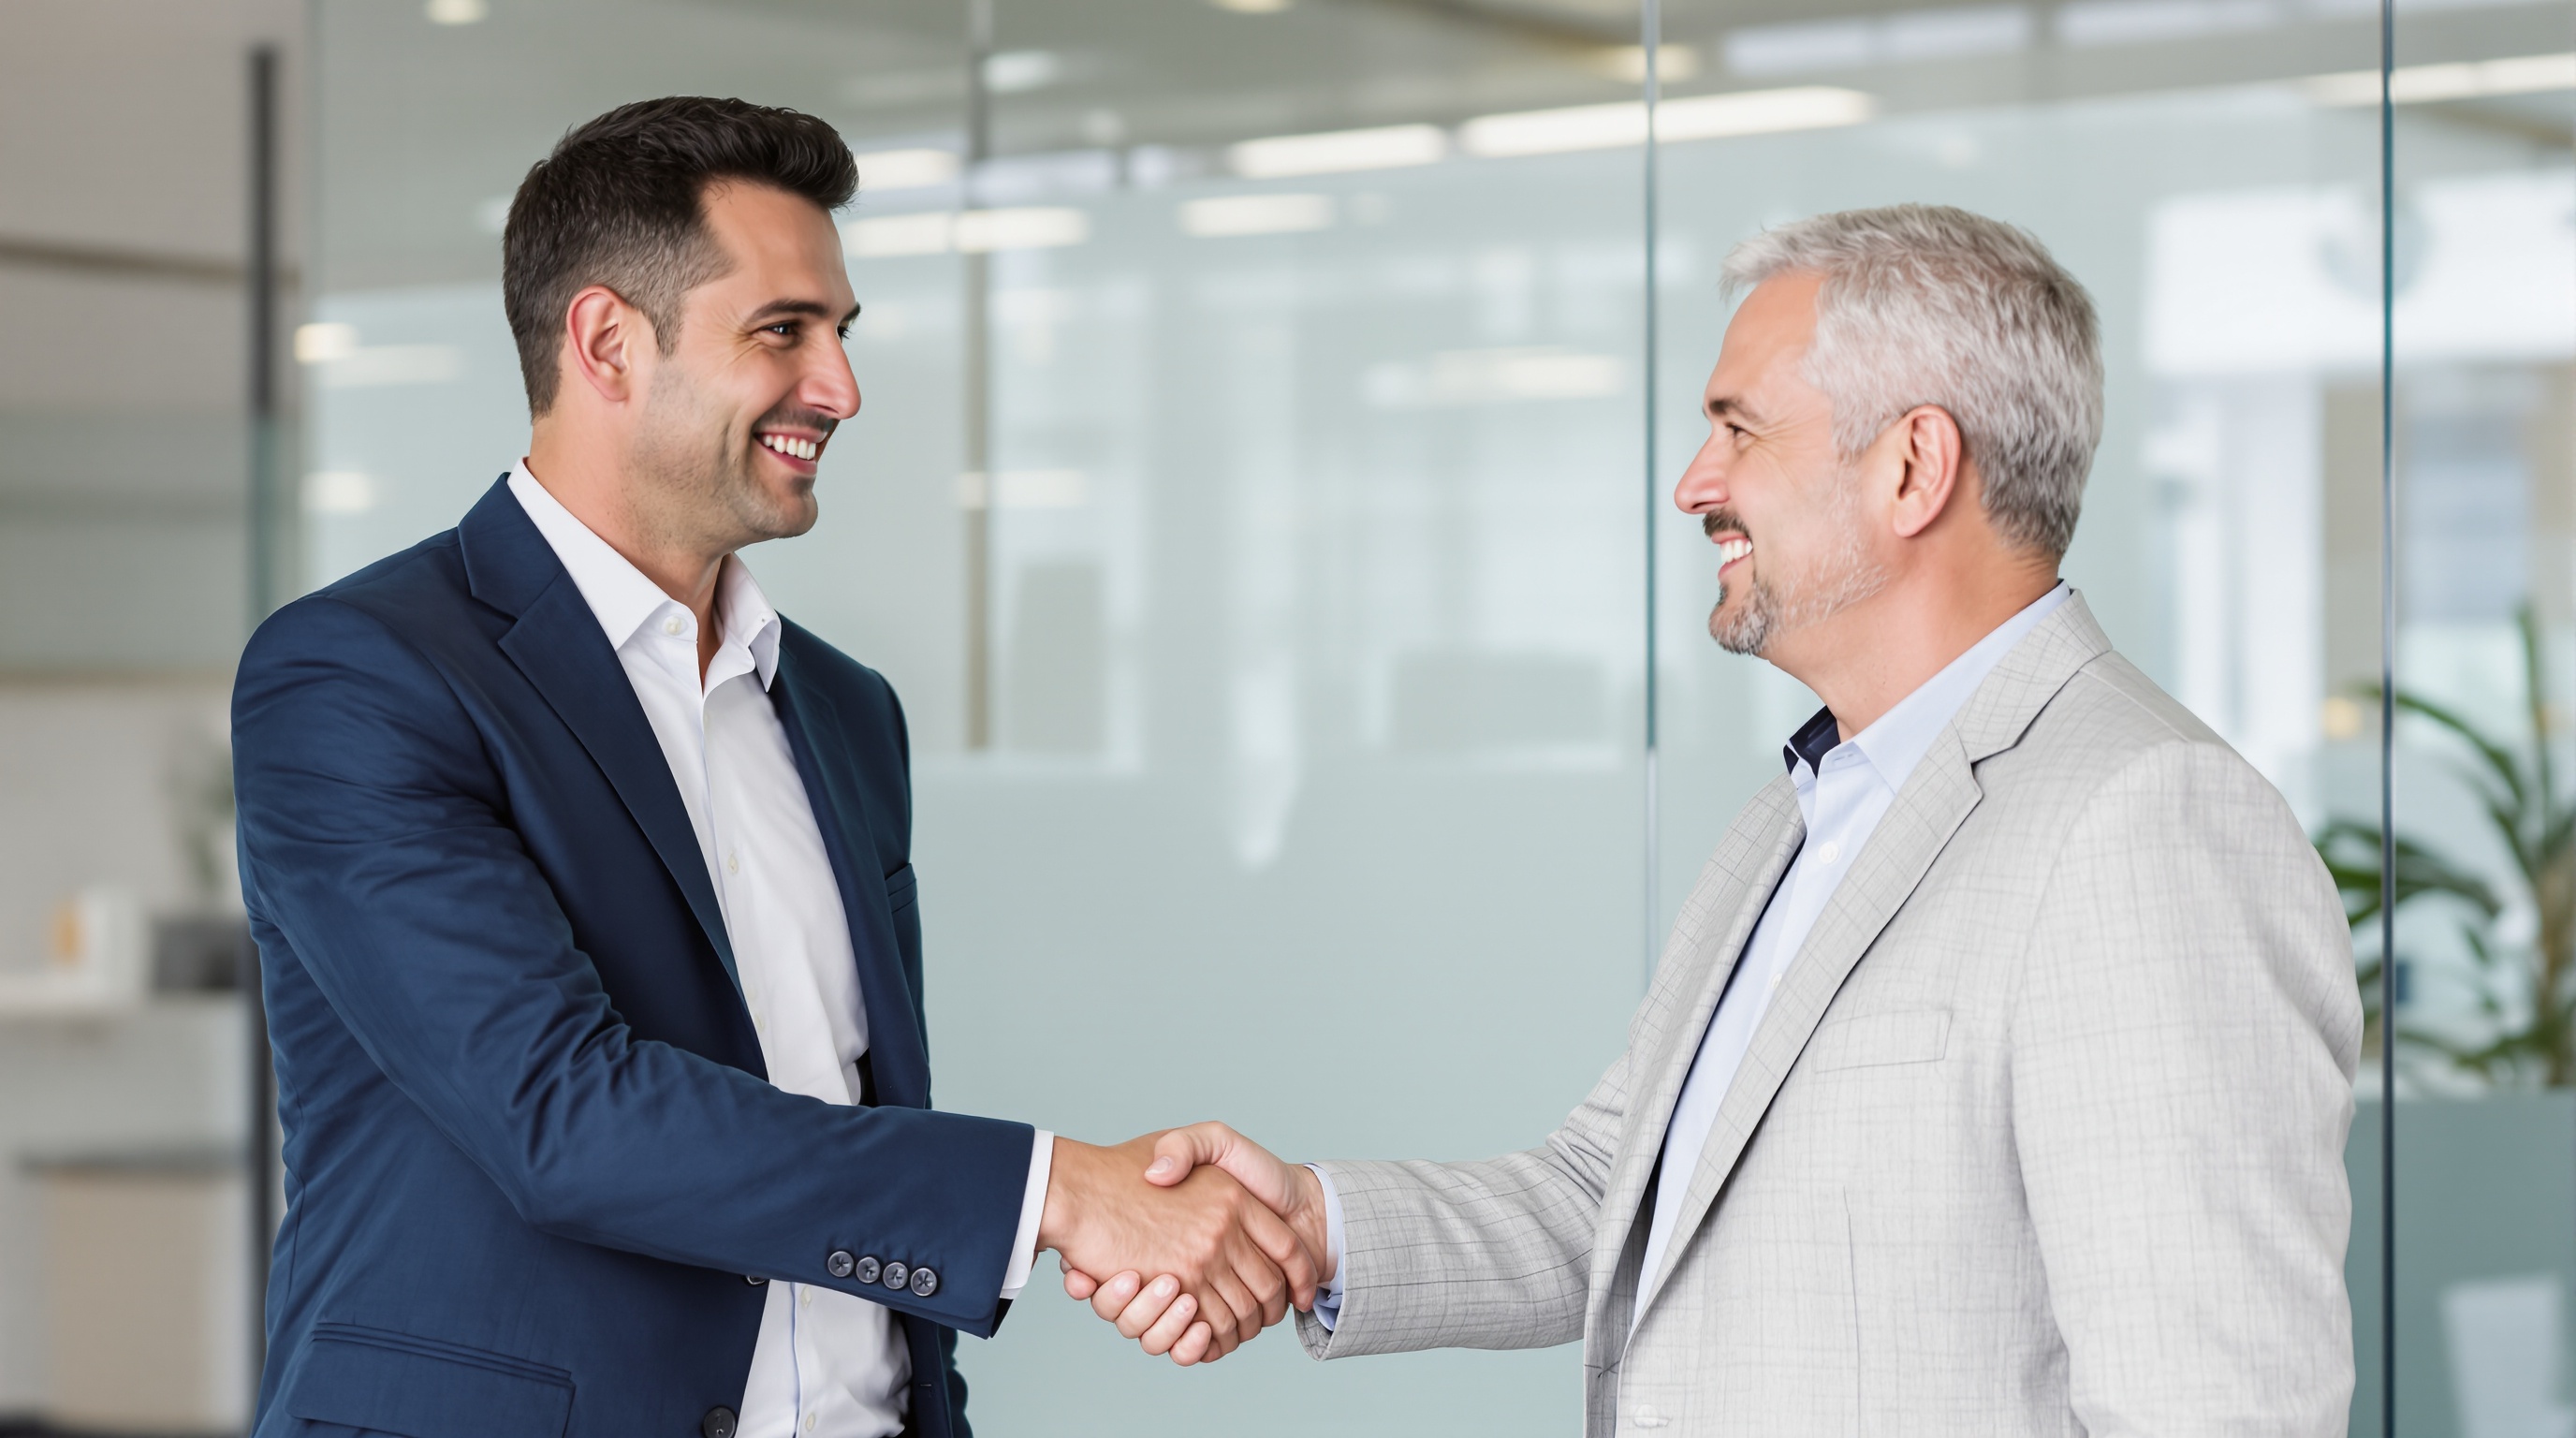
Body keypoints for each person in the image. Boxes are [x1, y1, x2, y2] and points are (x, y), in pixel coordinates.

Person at [1075, 204, 2364, 1433]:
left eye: (1740, 429)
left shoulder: (2145, 823)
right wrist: (1308, 1224)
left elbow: (2218, 1410)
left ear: (1915, 466)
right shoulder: (1798, 818)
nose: (1697, 484)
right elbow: (1612, 1192)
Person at [230, 96, 1313, 1438]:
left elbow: (852, 1118)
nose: (841, 389)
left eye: (841, 335)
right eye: (783, 332)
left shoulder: (846, 715)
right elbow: (560, 1115)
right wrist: (1055, 1195)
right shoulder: (362, 676)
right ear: (609, 342)